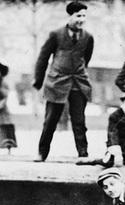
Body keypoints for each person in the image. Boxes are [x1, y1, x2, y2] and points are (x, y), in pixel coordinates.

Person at [33, 0, 94, 162]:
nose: (81, 19)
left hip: (78, 83)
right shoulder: (56, 34)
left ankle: (83, 154)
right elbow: (43, 58)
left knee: (79, 121)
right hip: (57, 82)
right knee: (51, 120)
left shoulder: (88, 37)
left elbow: (86, 59)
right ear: (70, 16)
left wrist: (78, 72)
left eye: (84, 16)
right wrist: (39, 80)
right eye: (78, 15)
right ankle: (42, 152)